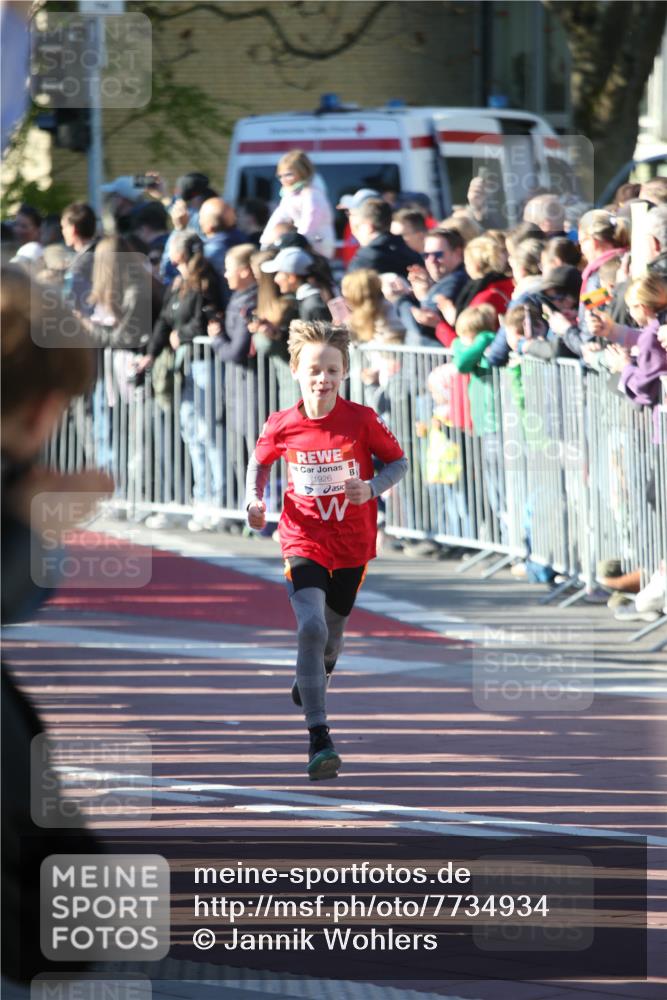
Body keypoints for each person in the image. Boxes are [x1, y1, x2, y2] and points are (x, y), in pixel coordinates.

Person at [245, 320, 407, 780]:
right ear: (296, 369)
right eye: (315, 369)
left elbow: (399, 462)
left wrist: (372, 487)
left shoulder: (361, 420)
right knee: (310, 627)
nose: (323, 378)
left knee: (331, 637)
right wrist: (253, 504)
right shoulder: (282, 424)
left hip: (353, 542)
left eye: (332, 370)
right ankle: (320, 737)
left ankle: (315, 672)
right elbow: (259, 466)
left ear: (344, 373)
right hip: (303, 537)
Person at [260, 149, 335, 259]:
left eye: (288, 175)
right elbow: (278, 218)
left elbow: (309, 224)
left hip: (317, 249)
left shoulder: (312, 194)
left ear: (302, 172)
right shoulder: (290, 195)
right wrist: (265, 242)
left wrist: (294, 244)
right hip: (304, 248)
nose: (283, 180)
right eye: (280, 176)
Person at [347, 197, 423, 278]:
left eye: (357, 227)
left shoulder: (363, 261)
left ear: (368, 227)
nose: (354, 232)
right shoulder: (411, 254)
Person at [260, 246, 333, 322]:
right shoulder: (309, 302)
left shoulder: (313, 306)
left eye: (279, 273)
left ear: (292, 277)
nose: (275, 279)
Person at [198, 196, 245, 297]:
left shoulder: (210, 252)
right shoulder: (245, 241)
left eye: (201, 217)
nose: (199, 221)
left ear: (208, 225)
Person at [60, 201, 98, 315]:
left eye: (63, 227)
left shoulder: (82, 263)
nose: (62, 231)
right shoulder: (101, 251)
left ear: (73, 229)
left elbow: (71, 300)